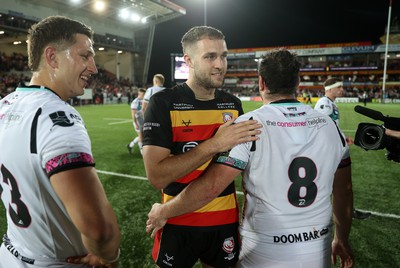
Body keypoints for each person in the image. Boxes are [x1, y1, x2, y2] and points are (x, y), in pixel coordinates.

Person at [146, 48, 355, 268]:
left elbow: (212, 186)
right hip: (317, 251)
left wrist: (164, 210)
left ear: (261, 83)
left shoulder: (248, 126)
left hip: (263, 251)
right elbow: (344, 190)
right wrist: (341, 238)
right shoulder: (330, 126)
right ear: (298, 83)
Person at [0, 16, 121, 267]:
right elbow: (99, 229)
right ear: (53, 57)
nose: (94, 68)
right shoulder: (58, 117)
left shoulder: (4, 106)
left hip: (12, 253)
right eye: (85, 56)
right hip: (56, 261)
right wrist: (109, 256)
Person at [142, 26, 261, 268]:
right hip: (176, 220)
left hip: (223, 222)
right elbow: (156, 176)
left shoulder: (233, 104)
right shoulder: (163, 103)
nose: (220, 64)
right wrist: (214, 144)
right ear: (189, 61)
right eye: (210, 57)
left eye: (224, 56)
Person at [314, 77, 371, 220]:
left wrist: (343, 138)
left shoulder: (330, 103)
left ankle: (347, 210)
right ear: (330, 89)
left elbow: (332, 128)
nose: (342, 89)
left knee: (341, 186)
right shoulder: (325, 104)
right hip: (328, 151)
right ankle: (342, 212)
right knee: (336, 186)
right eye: (339, 87)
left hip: (333, 148)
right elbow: (322, 129)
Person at [127, 88, 146, 155]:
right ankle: (142, 152)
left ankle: (130, 145)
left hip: (142, 120)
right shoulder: (135, 102)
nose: (144, 95)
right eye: (143, 94)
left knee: (142, 136)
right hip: (137, 121)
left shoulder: (143, 101)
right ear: (139, 94)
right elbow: (133, 114)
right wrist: (135, 123)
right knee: (141, 136)